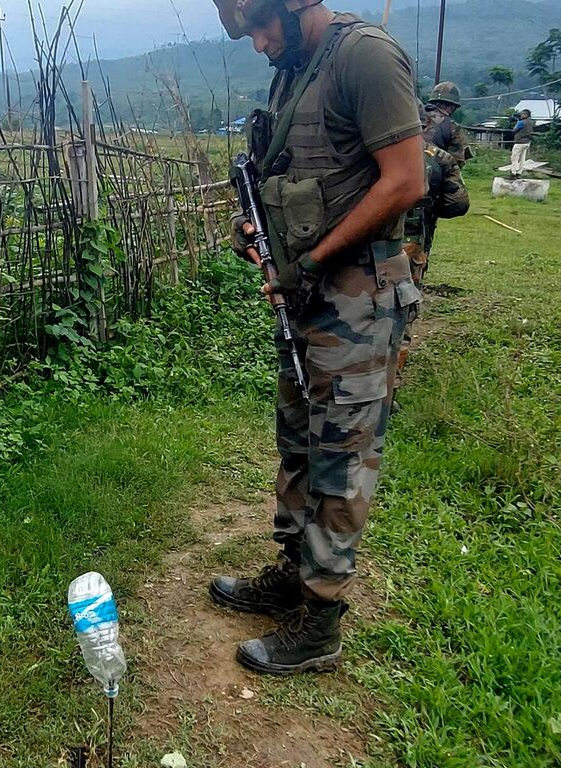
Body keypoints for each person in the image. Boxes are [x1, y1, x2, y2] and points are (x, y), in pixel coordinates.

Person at [208, 0, 424, 676]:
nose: (258, 44)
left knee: (341, 455)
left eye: (262, 28)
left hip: (355, 295)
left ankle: (321, 622)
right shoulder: (291, 67)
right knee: (299, 441)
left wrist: (314, 258)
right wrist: (261, 240)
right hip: (305, 297)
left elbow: (405, 181)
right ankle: (293, 576)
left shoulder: (364, 56)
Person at [422, 82, 471, 168]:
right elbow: (456, 162)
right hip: (433, 176)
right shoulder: (453, 128)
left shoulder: (415, 117)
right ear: (452, 107)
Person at [510, 108, 536, 176]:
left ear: (526, 115)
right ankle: (520, 172)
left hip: (519, 142)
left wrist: (518, 122)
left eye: (522, 114)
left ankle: (513, 172)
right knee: (522, 158)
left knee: (514, 158)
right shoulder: (531, 122)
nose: (521, 115)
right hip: (527, 142)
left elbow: (514, 130)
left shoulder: (521, 122)